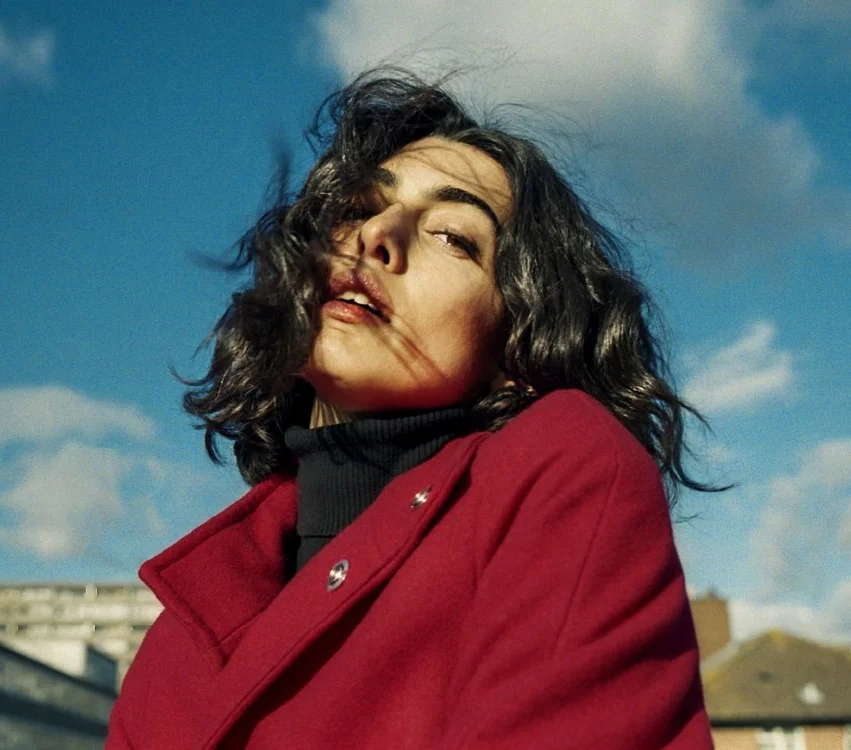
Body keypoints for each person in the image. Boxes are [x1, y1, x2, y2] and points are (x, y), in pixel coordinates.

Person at [107, 70, 718, 749]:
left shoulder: (567, 465)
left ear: (518, 348)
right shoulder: (183, 634)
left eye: (454, 236)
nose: (376, 236)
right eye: (359, 206)